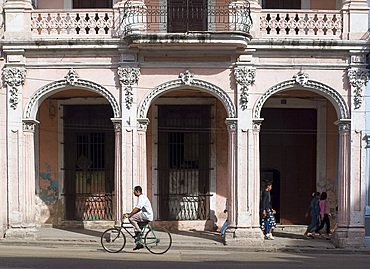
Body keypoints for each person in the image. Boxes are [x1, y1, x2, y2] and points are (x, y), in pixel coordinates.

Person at [124, 186, 153, 250]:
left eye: (134, 191)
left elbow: (137, 208)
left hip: (146, 216)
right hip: (146, 215)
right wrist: (130, 213)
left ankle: (139, 232)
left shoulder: (141, 198)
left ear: (137, 191)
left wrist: (129, 215)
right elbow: (138, 210)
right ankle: (139, 243)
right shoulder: (142, 197)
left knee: (131, 218)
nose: (133, 192)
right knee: (137, 226)